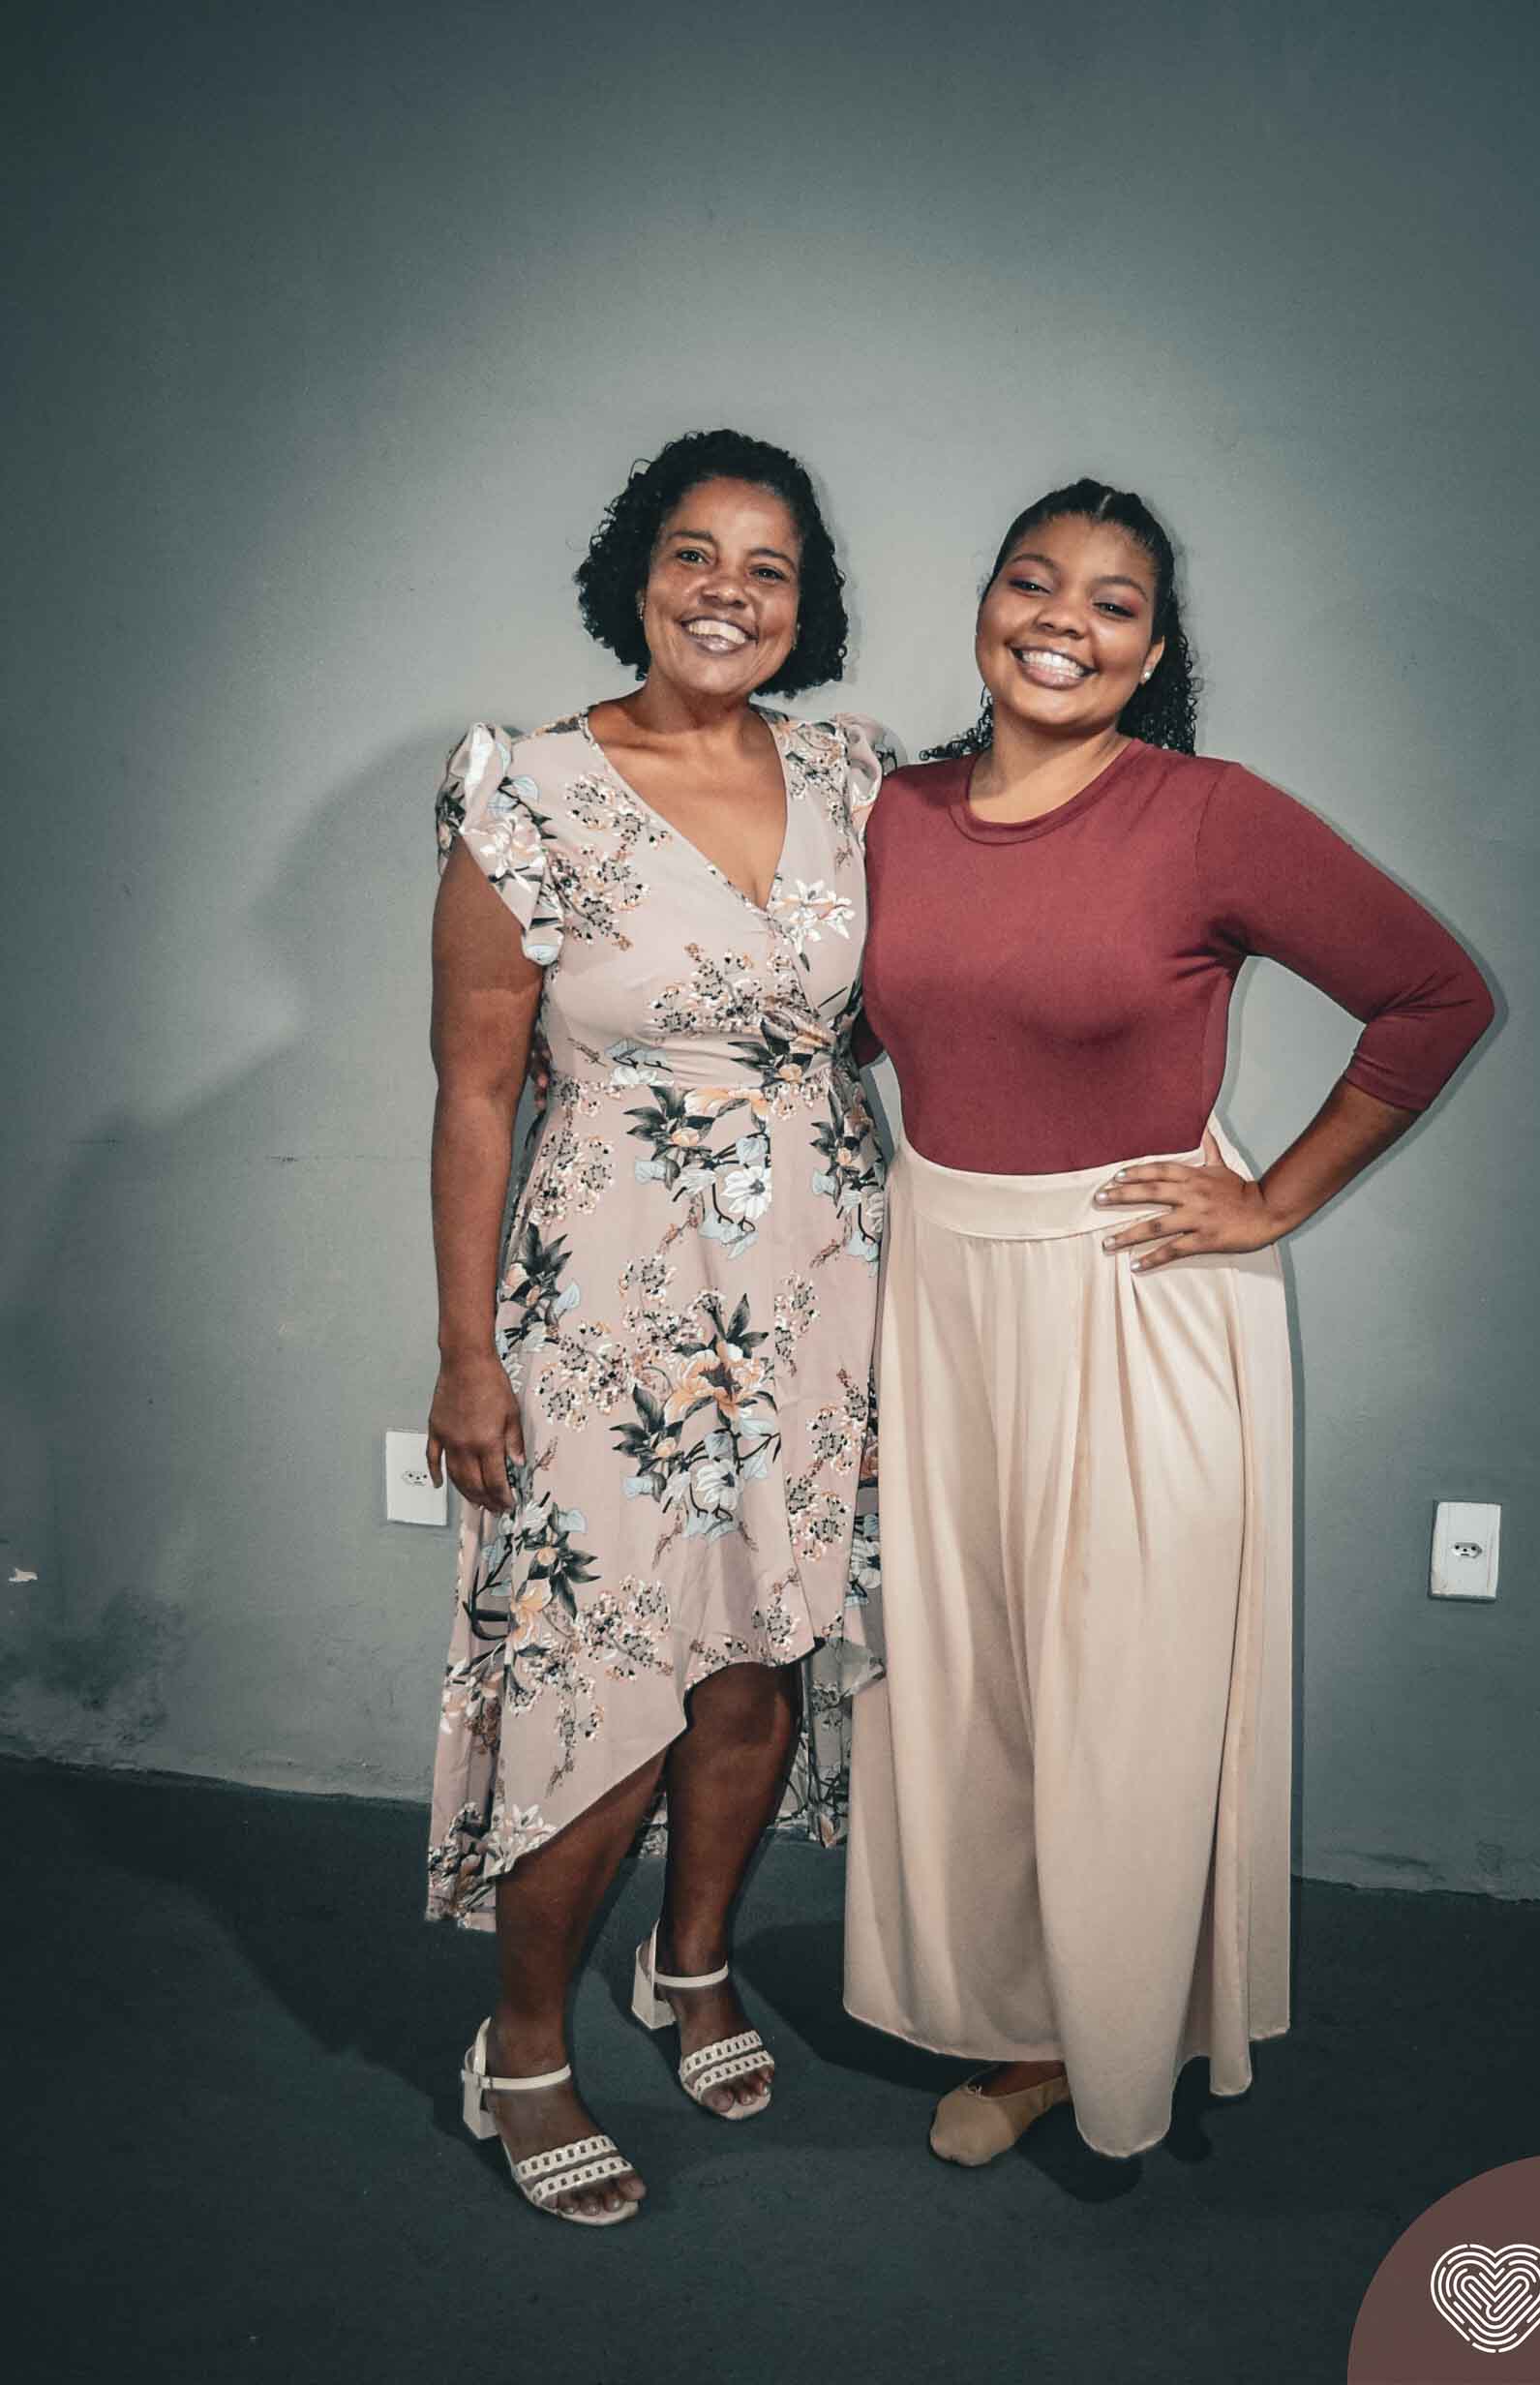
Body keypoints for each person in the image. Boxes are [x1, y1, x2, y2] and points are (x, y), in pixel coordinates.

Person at [843, 477, 1493, 2168]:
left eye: (1113, 602)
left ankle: (1112, 2045)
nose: (1063, 620)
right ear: (985, 607)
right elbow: (830, 1029)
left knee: (1123, 1690)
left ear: (1150, 653)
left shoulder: (1205, 815)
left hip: (1136, 1291)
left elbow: (1436, 996)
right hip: (939, 1286)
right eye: (1033, 581)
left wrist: (1274, 1199)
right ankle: (1019, 2024)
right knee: (972, 1683)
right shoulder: (891, 812)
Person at [426, 428, 899, 2223]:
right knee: (603, 1678)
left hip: (819, 1292)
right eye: (694, 553)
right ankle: (522, 2046)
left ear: (804, 604)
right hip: (611, 1298)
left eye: (769, 568)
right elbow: (478, 1094)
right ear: (635, 574)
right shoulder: (529, 789)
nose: (727, 592)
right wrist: (467, 1355)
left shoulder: (851, 775)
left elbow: (913, 1008)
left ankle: (688, 1963)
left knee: (758, 1660)